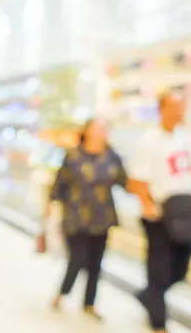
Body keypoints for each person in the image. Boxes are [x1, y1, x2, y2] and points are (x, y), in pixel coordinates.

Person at [129, 91, 191, 333]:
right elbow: (137, 181)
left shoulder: (187, 138)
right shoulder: (148, 140)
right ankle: (158, 323)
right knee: (158, 271)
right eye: (173, 106)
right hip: (159, 216)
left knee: (181, 267)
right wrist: (149, 204)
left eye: (181, 106)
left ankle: (148, 296)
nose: (178, 112)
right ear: (161, 109)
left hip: (184, 213)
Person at [49, 118, 127, 320]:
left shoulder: (111, 156)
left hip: (102, 216)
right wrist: (51, 205)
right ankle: (62, 292)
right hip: (76, 216)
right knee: (77, 258)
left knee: (96, 262)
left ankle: (89, 303)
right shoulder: (74, 155)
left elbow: (125, 181)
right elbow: (60, 183)